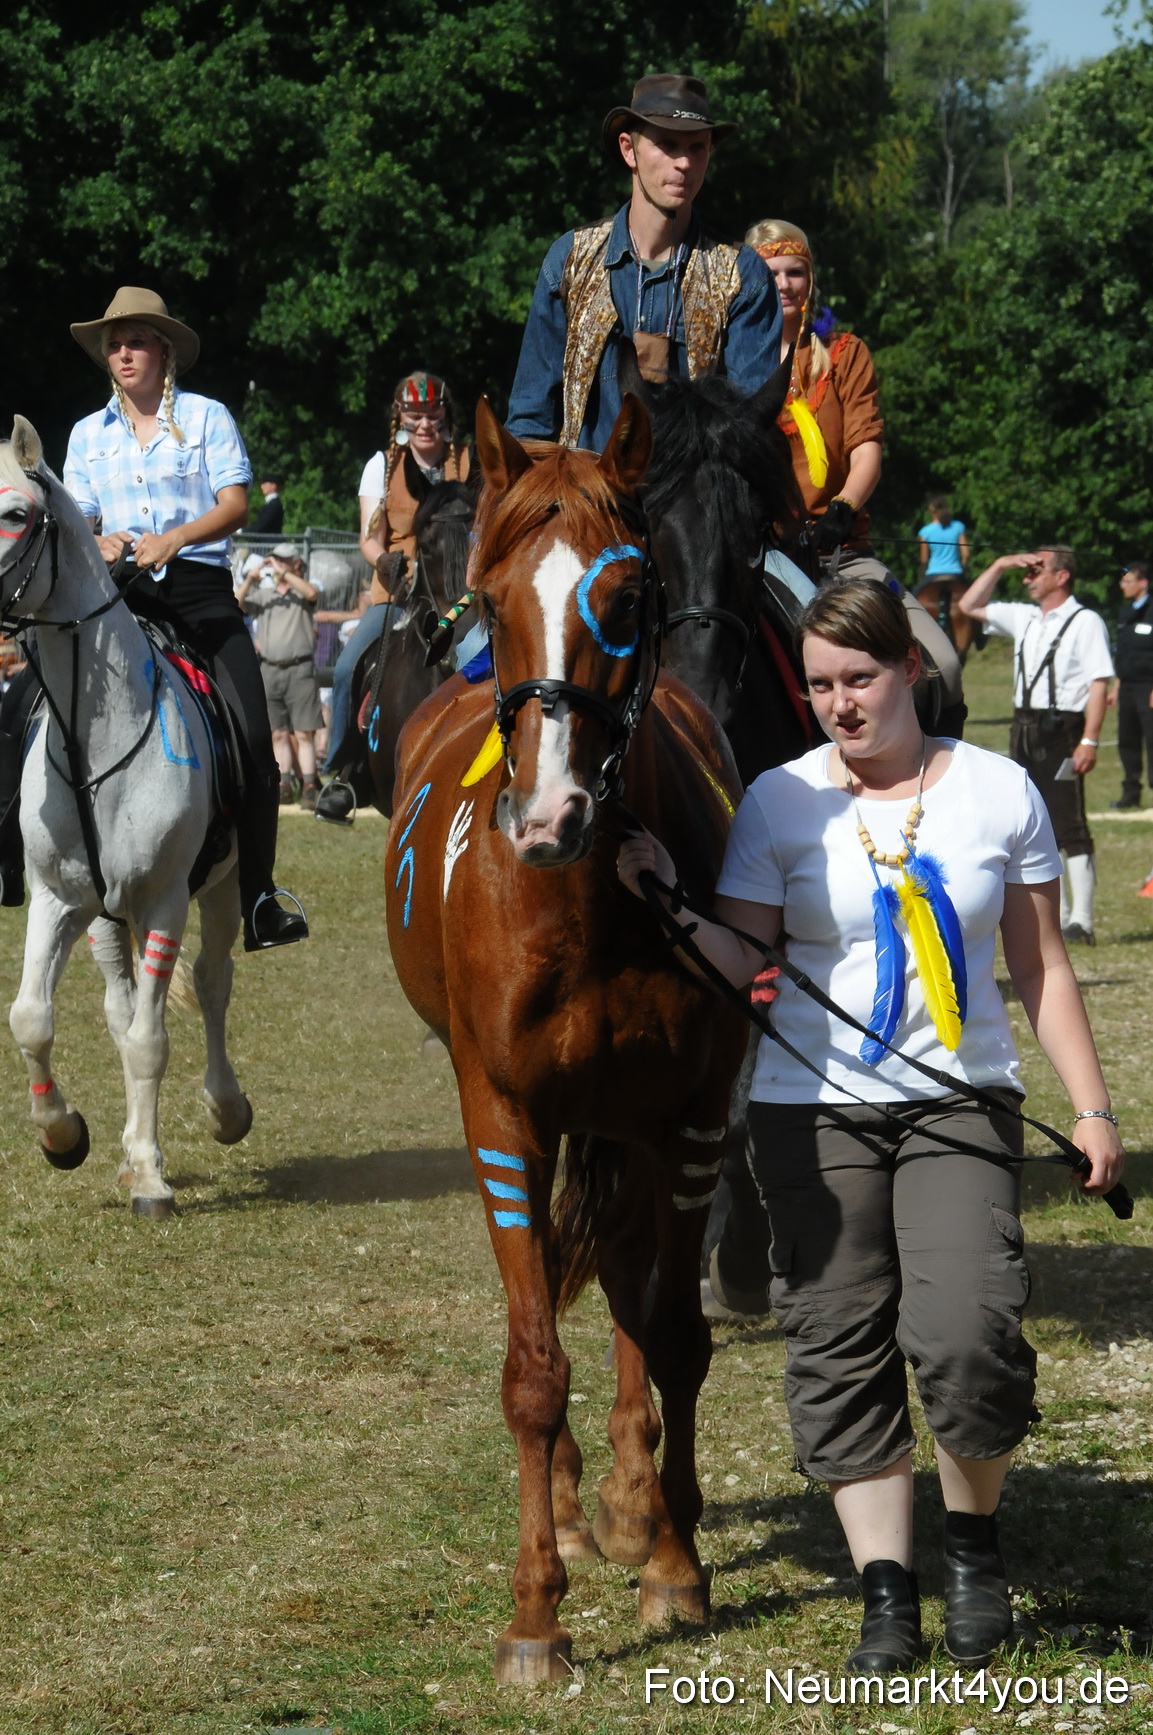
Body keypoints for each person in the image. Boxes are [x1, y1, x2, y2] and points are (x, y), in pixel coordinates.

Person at [617, 576, 1124, 1674]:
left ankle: (973, 1548)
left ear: (911, 673)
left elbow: (1038, 966)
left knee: (966, 1333)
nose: (840, 704)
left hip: (959, 1100)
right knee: (837, 1346)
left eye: (859, 679)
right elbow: (746, 960)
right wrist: (670, 899)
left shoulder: (999, 792)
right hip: (813, 1111)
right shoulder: (779, 800)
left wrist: (1088, 1105)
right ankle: (886, 1589)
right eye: (818, 685)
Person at [59, 286, 307, 949]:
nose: (123, 352)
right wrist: (98, 540)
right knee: (36, 703)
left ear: (164, 350)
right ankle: (31, 863)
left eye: (135, 340)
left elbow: (235, 505)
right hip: (120, 598)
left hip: (200, 594)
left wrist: (175, 538)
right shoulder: (86, 435)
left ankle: (258, 896)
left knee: (256, 740)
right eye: (114, 343)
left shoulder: (206, 417)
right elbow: (77, 521)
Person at [747, 218, 964, 734]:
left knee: (946, 668)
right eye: (769, 272)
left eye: (795, 271)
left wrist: (842, 508)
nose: (783, 284)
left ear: (811, 277)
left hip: (842, 552)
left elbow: (867, 448)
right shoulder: (723, 365)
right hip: (759, 558)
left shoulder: (844, 353)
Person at [506, 74, 782, 450]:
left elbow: (750, 429)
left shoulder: (742, 275)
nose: (684, 162)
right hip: (588, 502)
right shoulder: (570, 260)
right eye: (667, 144)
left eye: (697, 147)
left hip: (692, 504)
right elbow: (529, 424)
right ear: (628, 149)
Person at [317, 370, 471, 823]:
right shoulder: (380, 466)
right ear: (399, 415)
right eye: (414, 413)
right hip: (397, 590)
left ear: (446, 413)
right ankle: (345, 771)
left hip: (457, 591)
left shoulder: (469, 460)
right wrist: (383, 560)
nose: (423, 423)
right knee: (347, 666)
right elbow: (370, 538)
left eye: (431, 412)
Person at [959, 547, 1114, 945]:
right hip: (1023, 726)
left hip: (1063, 728)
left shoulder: (1086, 621)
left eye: (1036, 571)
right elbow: (968, 604)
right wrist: (1000, 564)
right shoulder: (1024, 616)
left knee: (1069, 822)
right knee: (1034, 821)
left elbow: (1099, 683)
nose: (1027, 577)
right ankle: (1058, 916)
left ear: (1062, 576)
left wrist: (1089, 739)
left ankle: (1082, 920)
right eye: (1026, 572)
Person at [238, 543, 324, 811]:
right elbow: (236, 604)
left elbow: (312, 593)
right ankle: (283, 784)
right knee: (277, 733)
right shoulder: (265, 595)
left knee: (304, 732)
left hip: (300, 670)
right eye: (275, 560)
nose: (278, 565)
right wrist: (250, 579)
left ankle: (310, 786)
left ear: (295, 563)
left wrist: (283, 574)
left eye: (284, 561)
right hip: (270, 669)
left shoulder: (302, 591)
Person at [1106, 561, 1153, 811]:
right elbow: (1121, 654)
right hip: (1127, 687)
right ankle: (1130, 794)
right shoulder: (1125, 614)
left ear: (1143, 583)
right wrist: (1116, 687)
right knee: (1128, 741)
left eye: (1127, 581)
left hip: (1149, 687)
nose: (1122, 586)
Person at [918, 496, 970, 582]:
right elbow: (966, 554)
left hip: (933, 573)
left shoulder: (925, 532)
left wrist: (923, 577)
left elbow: (924, 560)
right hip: (955, 573)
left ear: (931, 509)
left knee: (915, 594)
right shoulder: (958, 526)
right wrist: (962, 571)